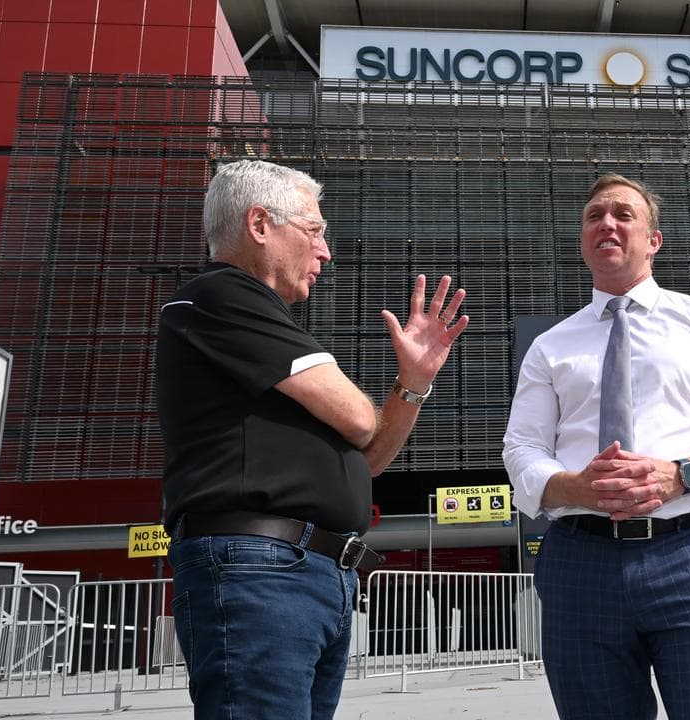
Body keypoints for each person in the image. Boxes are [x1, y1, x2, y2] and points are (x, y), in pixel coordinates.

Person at [156, 159, 468, 719]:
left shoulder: (250, 322)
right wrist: (369, 407)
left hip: (301, 574)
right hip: (262, 571)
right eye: (315, 230)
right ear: (259, 225)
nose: (326, 252)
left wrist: (412, 382)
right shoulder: (220, 295)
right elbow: (357, 418)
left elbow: (369, 458)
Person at [503, 174, 690, 720]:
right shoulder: (550, 346)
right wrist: (573, 485)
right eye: (594, 215)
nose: (606, 222)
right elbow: (523, 448)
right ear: (583, 241)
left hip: (689, 554)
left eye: (623, 214)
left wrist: (684, 474)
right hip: (580, 562)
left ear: (654, 240)